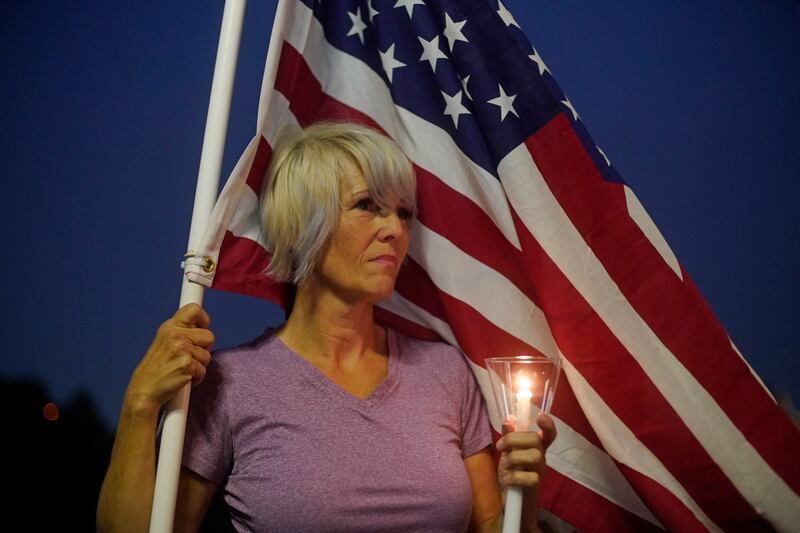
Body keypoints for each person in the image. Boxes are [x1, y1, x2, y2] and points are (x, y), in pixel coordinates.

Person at [97, 122, 557, 532]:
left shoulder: (445, 373)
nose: (395, 230)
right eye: (367, 205)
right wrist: (140, 403)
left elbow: (494, 527)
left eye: (403, 212)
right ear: (302, 226)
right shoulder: (231, 383)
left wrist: (523, 493)